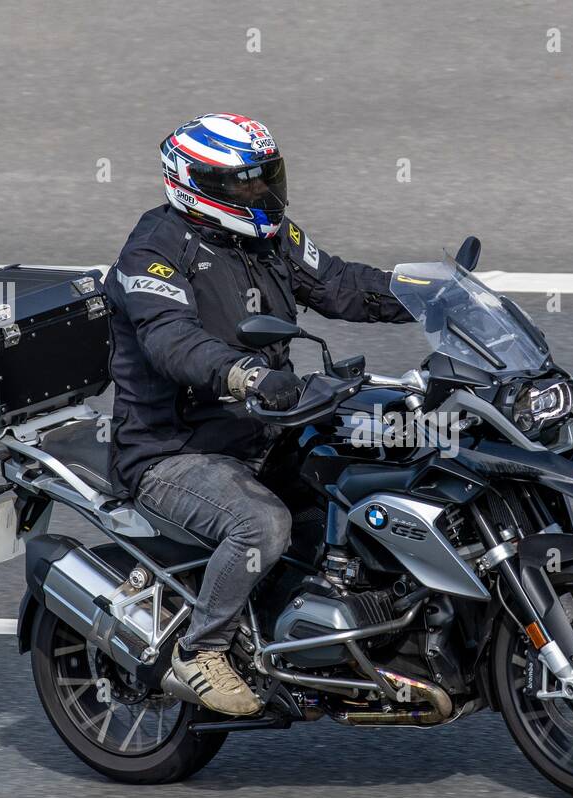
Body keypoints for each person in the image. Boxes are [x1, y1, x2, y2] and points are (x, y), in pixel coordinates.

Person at [103, 113, 411, 716]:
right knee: (261, 524)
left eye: (266, 178)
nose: (259, 193)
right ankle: (202, 651)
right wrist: (247, 375)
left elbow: (341, 284)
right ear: (194, 184)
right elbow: (173, 342)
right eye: (242, 184)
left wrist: (428, 294)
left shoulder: (264, 236)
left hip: (267, 428)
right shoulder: (152, 254)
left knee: (382, 462)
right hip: (175, 451)